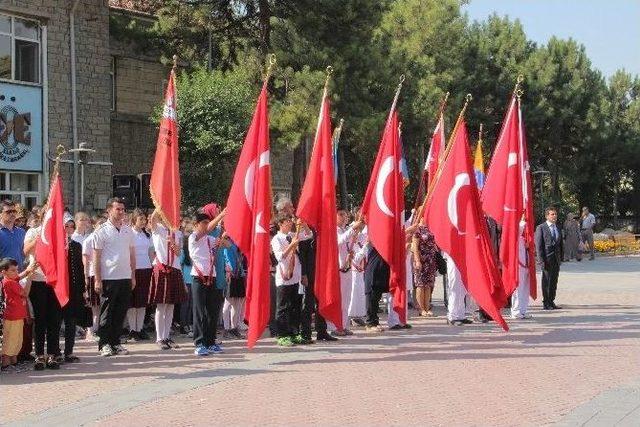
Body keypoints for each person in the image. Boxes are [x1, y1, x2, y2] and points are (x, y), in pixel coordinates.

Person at [93, 197, 137, 357]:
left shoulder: (128, 230)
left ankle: (115, 342)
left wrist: (133, 276)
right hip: (109, 277)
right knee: (107, 312)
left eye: (123, 209)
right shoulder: (101, 231)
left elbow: (132, 255)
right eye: (117, 209)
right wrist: (97, 279)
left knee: (120, 311)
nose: (121, 212)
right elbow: (96, 257)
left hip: (125, 276)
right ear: (109, 210)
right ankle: (104, 343)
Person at [24, 207, 63, 369]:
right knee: (40, 319)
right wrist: (39, 239)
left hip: (54, 281)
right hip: (38, 280)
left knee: (54, 320)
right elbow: (25, 251)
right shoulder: (33, 232)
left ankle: (53, 354)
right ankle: (39, 354)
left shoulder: (58, 233)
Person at [148, 209, 188, 350]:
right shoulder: (158, 229)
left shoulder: (177, 232)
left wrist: (173, 243)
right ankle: (159, 337)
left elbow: (178, 252)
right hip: (162, 267)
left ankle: (167, 336)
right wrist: (159, 206)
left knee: (171, 304)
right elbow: (152, 220)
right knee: (161, 304)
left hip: (174, 268)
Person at [189, 210, 227, 356]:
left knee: (212, 311)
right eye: (203, 223)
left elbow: (227, 245)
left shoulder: (209, 239)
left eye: (207, 222)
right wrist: (221, 215)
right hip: (198, 278)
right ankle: (199, 343)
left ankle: (210, 342)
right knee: (199, 312)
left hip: (212, 277)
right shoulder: (193, 237)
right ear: (196, 224)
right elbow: (207, 230)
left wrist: (222, 239)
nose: (206, 225)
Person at [271, 213, 305, 346]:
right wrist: (292, 245)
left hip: (295, 276)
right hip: (284, 277)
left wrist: (302, 224)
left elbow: (309, 235)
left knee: (295, 306)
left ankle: (294, 332)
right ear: (280, 224)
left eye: (290, 221)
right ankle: (282, 334)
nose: (290, 223)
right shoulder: (276, 239)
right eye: (287, 222)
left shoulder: (292, 235)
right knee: (283, 307)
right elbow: (280, 257)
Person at [1, 258, 37, 373]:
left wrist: (27, 271)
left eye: (17, 270)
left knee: (17, 340)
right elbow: (25, 293)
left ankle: (13, 362)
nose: (16, 272)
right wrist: (30, 279)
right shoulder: (10, 283)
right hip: (12, 317)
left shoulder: (9, 280)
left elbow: (18, 277)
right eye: (13, 270)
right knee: (10, 340)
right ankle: (6, 363)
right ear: (4, 272)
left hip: (17, 316)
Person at [332, 210, 364, 336]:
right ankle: (336, 326)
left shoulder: (345, 229)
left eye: (345, 216)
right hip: (339, 267)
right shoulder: (334, 230)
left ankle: (343, 325)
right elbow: (340, 241)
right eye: (341, 216)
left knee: (346, 298)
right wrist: (352, 229)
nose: (345, 218)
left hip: (348, 266)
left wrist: (354, 234)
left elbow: (351, 242)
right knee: (339, 299)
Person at [60, 215, 86, 362]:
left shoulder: (76, 245)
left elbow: (79, 268)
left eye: (72, 226)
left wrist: (82, 289)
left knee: (71, 321)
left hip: (73, 288)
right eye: (66, 226)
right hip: (59, 289)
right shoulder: (57, 245)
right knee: (56, 321)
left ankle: (68, 351)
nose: (69, 229)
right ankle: (54, 352)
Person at [127, 209, 154, 341]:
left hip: (146, 268)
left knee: (142, 302)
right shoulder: (129, 233)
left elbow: (150, 252)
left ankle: (140, 328)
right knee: (133, 302)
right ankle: (133, 329)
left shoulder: (147, 235)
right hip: (134, 269)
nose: (143, 222)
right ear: (134, 219)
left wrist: (152, 266)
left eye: (144, 219)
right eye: (140, 219)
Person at [535, 206, 563, 310]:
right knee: (546, 281)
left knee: (554, 281)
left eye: (555, 214)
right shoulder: (541, 228)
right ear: (547, 216)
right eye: (552, 214)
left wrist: (561, 257)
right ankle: (546, 302)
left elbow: (560, 244)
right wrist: (541, 260)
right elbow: (538, 246)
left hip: (556, 259)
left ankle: (551, 301)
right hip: (546, 259)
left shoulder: (558, 227)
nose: (554, 216)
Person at [82, 217, 106, 340]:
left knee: (101, 305)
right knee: (94, 305)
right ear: (95, 226)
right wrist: (85, 277)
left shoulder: (105, 239)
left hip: (104, 274)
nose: (102, 227)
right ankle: (92, 330)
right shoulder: (89, 240)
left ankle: (99, 328)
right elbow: (85, 260)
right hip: (92, 275)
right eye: (99, 225)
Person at [411, 223, 438, 317]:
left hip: (430, 260)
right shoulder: (418, 229)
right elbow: (415, 247)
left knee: (428, 285)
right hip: (421, 260)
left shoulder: (430, 227)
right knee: (420, 285)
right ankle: (421, 309)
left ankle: (427, 308)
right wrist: (418, 261)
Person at [222, 241, 247, 339]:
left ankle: (234, 328)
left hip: (239, 275)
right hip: (230, 275)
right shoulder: (227, 241)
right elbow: (226, 257)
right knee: (228, 303)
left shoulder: (239, 242)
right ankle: (226, 329)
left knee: (237, 304)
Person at [511, 219, 532, 319]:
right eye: (523, 228)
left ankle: (523, 310)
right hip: (519, 267)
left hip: (526, 266)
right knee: (518, 289)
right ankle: (515, 310)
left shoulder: (524, 239)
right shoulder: (515, 239)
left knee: (525, 289)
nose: (524, 229)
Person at [348, 223, 368, 327]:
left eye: (357, 232)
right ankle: (352, 316)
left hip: (361, 272)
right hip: (353, 272)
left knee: (360, 295)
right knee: (354, 295)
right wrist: (365, 247)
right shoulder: (350, 245)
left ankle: (359, 315)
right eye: (354, 232)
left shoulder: (359, 243)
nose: (356, 234)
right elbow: (355, 259)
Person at [0, 200, 26, 268]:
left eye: (14, 211)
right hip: (3, 276)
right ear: (1, 214)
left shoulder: (21, 232)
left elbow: (23, 253)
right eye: (8, 212)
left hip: (19, 274)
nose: (12, 214)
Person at [179, 219, 194, 336]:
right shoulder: (184, 251)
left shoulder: (194, 249)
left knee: (192, 304)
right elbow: (180, 264)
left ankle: (189, 324)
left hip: (194, 279)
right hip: (186, 280)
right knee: (185, 304)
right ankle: (183, 326)